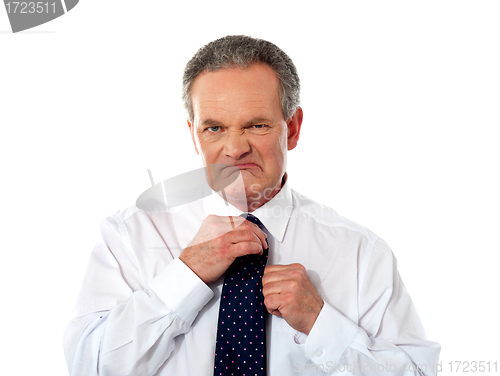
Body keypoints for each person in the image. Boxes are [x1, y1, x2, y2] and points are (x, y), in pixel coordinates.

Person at [64, 35, 440, 375]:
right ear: (194, 136)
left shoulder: (359, 253)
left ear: (291, 128)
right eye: (214, 128)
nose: (235, 148)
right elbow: (89, 367)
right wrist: (184, 277)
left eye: (256, 126)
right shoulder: (129, 236)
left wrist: (321, 323)